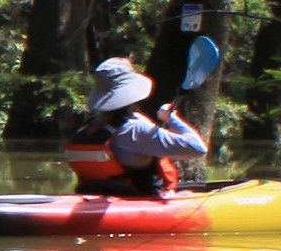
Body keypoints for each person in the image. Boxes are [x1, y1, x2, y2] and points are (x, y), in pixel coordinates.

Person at [62, 56, 209, 198]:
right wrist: (172, 119)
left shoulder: (87, 128)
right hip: (137, 202)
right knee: (188, 194)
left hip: (97, 199)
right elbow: (198, 148)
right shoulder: (136, 130)